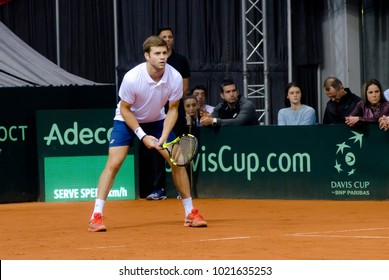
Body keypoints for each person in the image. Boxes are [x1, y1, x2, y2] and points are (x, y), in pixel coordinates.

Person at [88, 36, 207, 232]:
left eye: (164, 53)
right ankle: (96, 216)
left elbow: (173, 109)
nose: (162, 57)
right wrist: (142, 136)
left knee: (177, 160)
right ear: (147, 55)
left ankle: (190, 212)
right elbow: (125, 109)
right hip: (126, 120)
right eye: (157, 54)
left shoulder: (175, 77)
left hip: (157, 121)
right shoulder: (133, 78)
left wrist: (163, 136)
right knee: (114, 163)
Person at [145, 26, 191, 200]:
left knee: (176, 151)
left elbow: (184, 87)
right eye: (163, 36)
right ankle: (159, 189)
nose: (167, 39)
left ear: (173, 40)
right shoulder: (151, 62)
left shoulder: (180, 60)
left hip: (175, 108)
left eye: (170, 36)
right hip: (157, 110)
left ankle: (182, 190)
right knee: (159, 150)